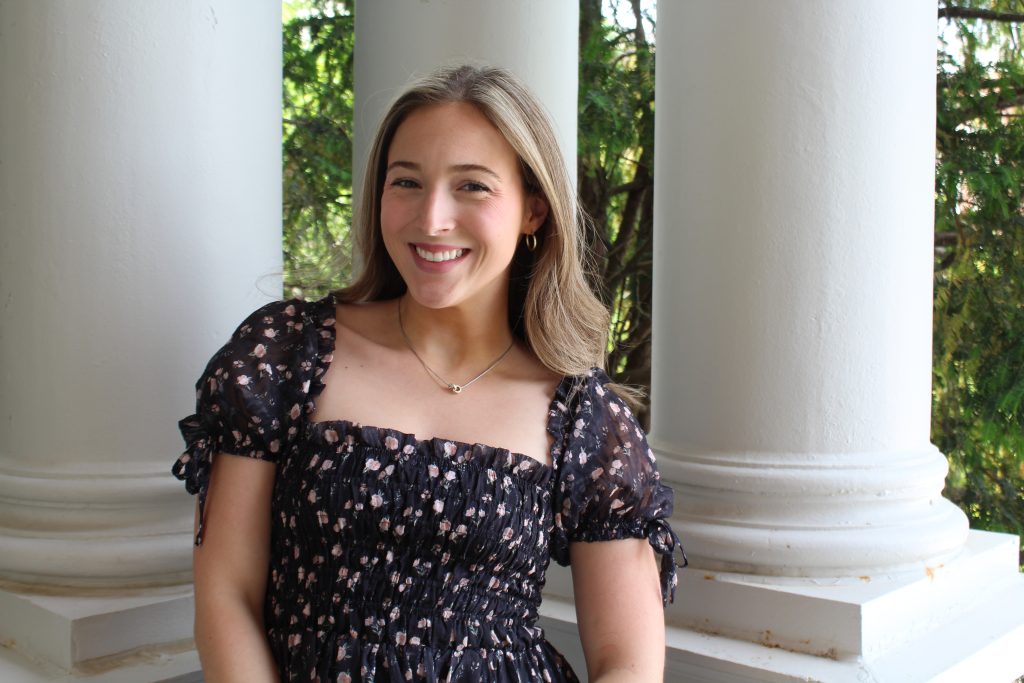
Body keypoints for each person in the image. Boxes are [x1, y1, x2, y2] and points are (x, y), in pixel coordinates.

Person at [172, 64, 683, 683]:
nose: (432, 217)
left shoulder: (581, 415)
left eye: (472, 186)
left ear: (534, 210)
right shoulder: (288, 356)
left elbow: (628, 662)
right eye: (407, 182)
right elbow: (226, 593)